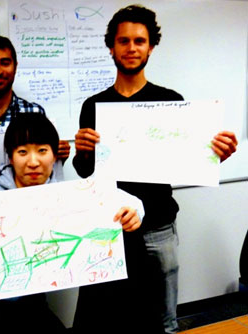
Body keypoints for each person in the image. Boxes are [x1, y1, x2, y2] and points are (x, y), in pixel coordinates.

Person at [72, 5, 238, 334]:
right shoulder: (93, 106)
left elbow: (190, 163)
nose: (131, 48)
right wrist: (82, 151)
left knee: (164, 320)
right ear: (111, 47)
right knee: (113, 319)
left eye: (139, 41)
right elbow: (85, 172)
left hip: (158, 228)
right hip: (112, 228)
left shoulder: (171, 101)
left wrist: (217, 157)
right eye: (123, 41)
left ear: (151, 46)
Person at [0, 113, 145, 334]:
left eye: (42, 151)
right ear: (10, 157)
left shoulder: (59, 193)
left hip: (29, 308)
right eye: (22, 152)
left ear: (54, 154)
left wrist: (135, 212)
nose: (33, 162)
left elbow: (125, 200)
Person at [0, 35, 71, 178]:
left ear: (15, 66)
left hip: (25, 197)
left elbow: (46, 170)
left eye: (5, 63)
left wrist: (56, 154)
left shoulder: (35, 113)